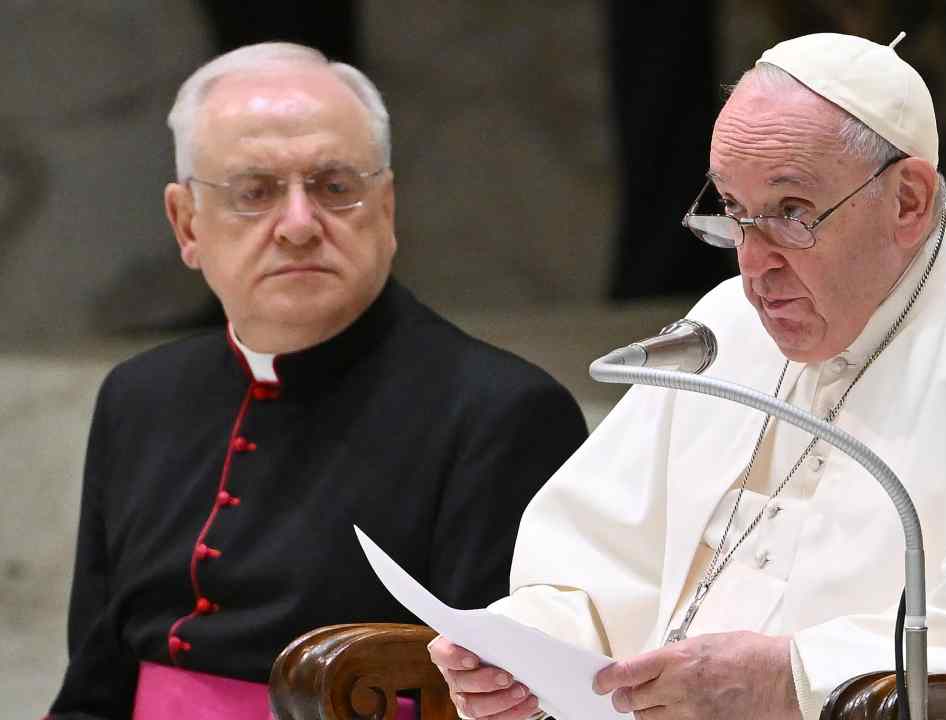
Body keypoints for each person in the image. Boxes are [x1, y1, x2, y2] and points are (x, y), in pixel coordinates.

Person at [428, 33, 946, 720]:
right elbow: (597, 560)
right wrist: (528, 644)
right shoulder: (733, 326)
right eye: (733, 212)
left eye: (791, 212)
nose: (754, 266)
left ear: (908, 200)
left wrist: (795, 679)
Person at [47, 42, 588, 720]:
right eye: (254, 192)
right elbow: (96, 682)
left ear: (386, 209)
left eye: (336, 187)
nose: (299, 225)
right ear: (187, 224)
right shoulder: (138, 397)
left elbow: (504, 702)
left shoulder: (501, 414)